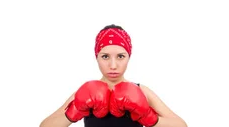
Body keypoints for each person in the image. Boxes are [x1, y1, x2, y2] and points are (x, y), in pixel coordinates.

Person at [39, 24, 187, 127]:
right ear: (96, 57)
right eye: (105, 57)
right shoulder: (85, 91)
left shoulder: (141, 90)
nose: (113, 65)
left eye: (121, 56)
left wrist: (150, 118)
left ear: (129, 57)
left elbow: (181, 125)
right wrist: (72, 112)